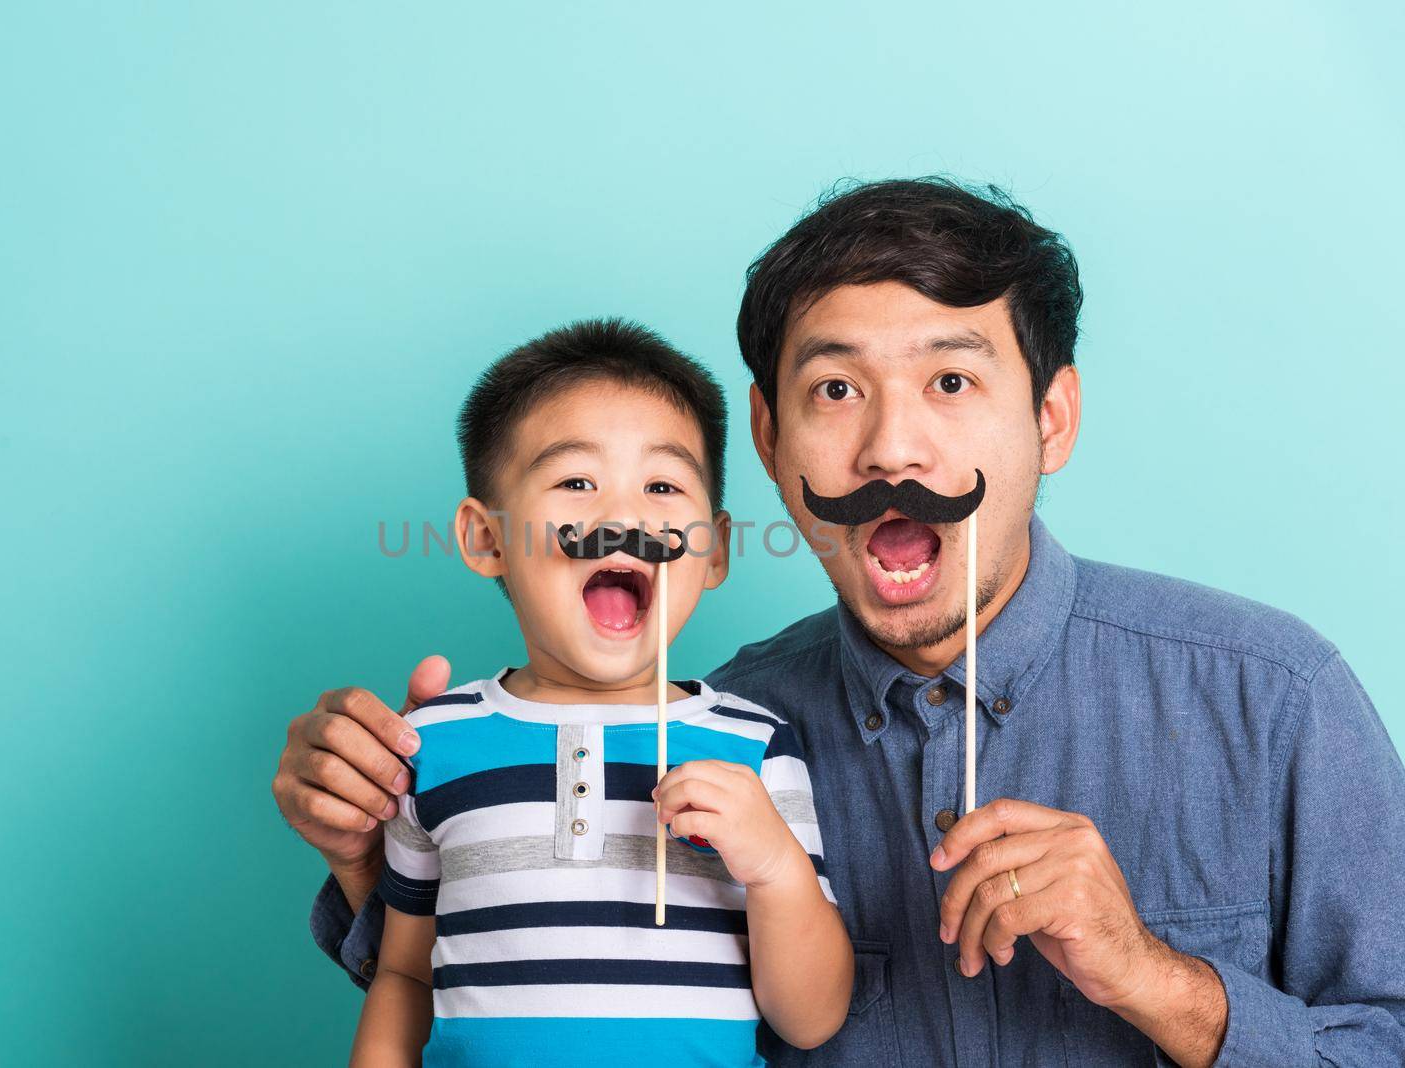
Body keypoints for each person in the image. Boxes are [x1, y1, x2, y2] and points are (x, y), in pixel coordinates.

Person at [276, 178, 1405, 1066]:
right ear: (767, 441)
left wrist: (1153, 976)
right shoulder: (705, 732)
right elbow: (518, 988)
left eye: (950, 385)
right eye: (834, 391)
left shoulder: (1274, 695)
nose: (889, 452)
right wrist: (365, 848)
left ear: (1051, 418)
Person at [346, 318, 852, 1067]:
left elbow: (810, 1021)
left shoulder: (755, 745)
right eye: (577, 482)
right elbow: (402, 972)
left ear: (711, 551)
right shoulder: (434, 742)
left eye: (662, 485)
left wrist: (776, 868)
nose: (623, 518)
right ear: (487, 540)